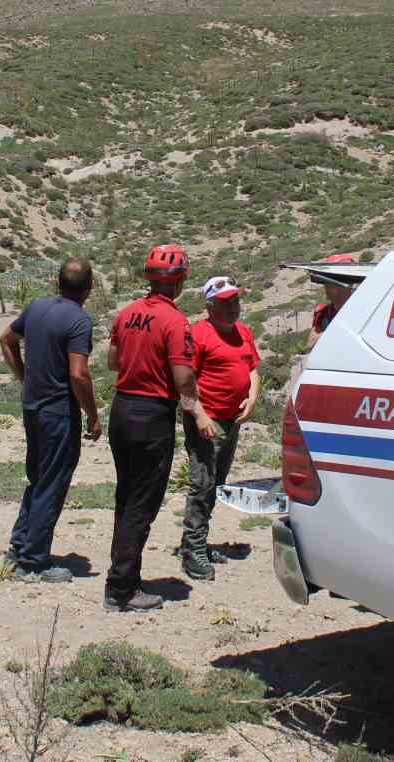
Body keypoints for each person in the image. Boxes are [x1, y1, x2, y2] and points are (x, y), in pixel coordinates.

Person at [103, 243, 209, 613]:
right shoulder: (176, 322)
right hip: (151, 415)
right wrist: (196, 408)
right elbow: (183, 377)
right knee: (142, 503)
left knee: (126, 495)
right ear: (179, 281)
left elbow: (114, 362)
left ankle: (121, 575)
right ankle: (121, 588)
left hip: (122, 409)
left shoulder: (127, 313)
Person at [0, 257, 101, 583]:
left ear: (58, 282)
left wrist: (24, 376)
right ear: (89, 287)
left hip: (32, 407)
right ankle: (32, 561)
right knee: (52, 484)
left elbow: (6, 339)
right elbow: (79, 374)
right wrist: (93, 416)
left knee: (39, 478)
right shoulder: (79, 321)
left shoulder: (37, 307)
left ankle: (20, 545)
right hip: (58, 412)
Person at [180, 275, 261, 581]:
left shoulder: (243, 332)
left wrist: (252, 396)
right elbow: (185, 381)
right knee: (202, 483)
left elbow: (253, 367)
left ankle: (196, 541)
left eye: (236, 301)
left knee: (216, 482)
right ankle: (193, 550)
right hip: (207, 418)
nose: (233, 308)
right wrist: (200, 416)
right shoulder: (198, 335)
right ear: (210, 306)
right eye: (226, 303)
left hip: (231, 420)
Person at [305, 253, 357, 353]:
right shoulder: (323, 312)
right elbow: (310, 345)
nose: (326, 287)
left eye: (331, 282)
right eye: (325, 282)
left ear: (346, 284)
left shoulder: (362, 311)